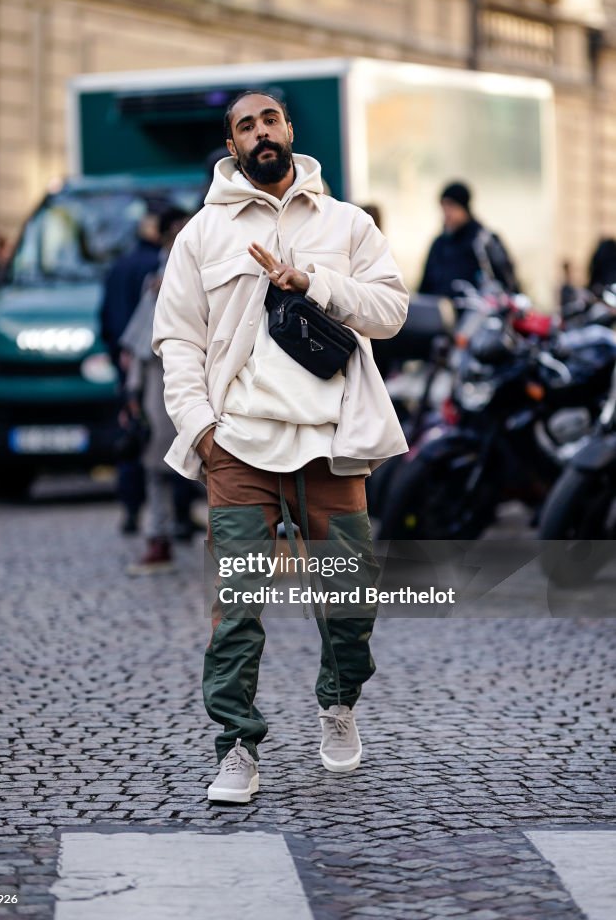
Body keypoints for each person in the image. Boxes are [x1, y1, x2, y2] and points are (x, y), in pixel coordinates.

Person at [153, 90, 409, 803]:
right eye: (245, 126)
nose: (260, 133)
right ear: (231, 144)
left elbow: (391, 311)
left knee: (351, 600)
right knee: (236, 605)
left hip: (332, 443)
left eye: (270, 120)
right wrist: (200, 428)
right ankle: (236, 745)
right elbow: (177, 337)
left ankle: (337, 703)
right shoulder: (202, 234)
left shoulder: (346, 222)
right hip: (237, 447)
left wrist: (314, 283)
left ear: (289, 130)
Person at [118, 207, 192, 574]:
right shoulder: (156, 280)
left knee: (222, 469)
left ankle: (244, 549)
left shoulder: (204, 271)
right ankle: (158, 539)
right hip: (159, 385)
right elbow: (137, 346)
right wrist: (132, 396)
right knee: (157, 468)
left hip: (202, 382)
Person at [100, 201, 167, 534]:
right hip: (160, 371)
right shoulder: (158, 269)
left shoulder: (119, 266)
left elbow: (107, 321)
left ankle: (133, 515)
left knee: (138, 444)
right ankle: (175, 523)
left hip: (135, 369)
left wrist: (120, 360)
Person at [418, 181, 518, 299]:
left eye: (452, 207)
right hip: (440, 313)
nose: (447, 213)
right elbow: (424, 286)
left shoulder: (483, 242)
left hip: (477, 312)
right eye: (444, 208)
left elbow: (507, 282)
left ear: (464, 208)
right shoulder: (439, 244)